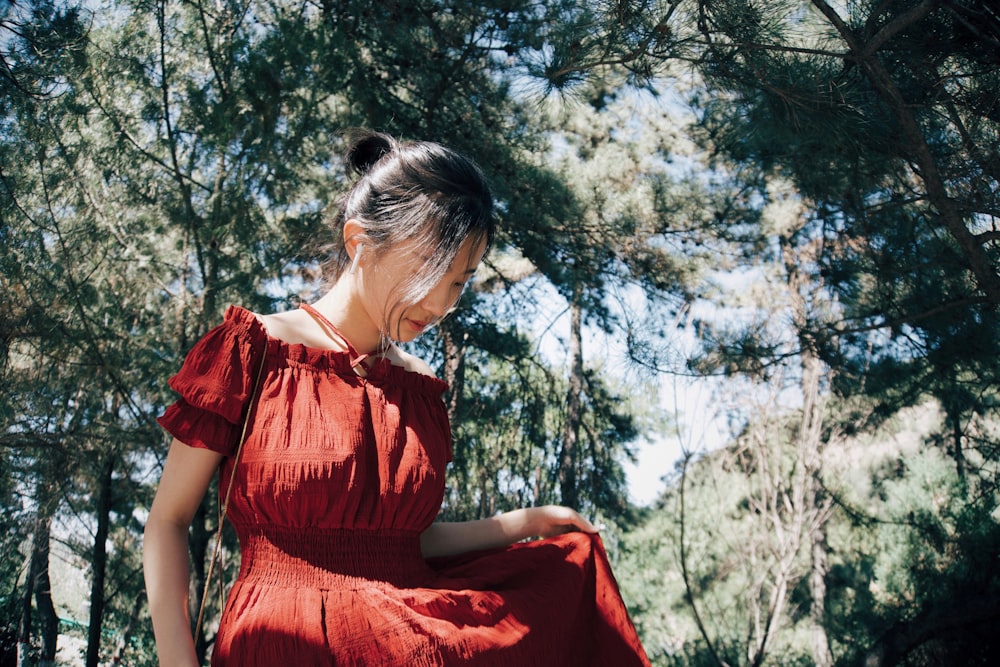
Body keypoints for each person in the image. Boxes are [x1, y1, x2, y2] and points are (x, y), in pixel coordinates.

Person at [143, 129, 651, 667]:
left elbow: (406, 542)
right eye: (429, 270)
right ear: (360, 241)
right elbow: (168, 521)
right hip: (280, 646)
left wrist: (526, 524)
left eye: (458, 282)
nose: (439, 303)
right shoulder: (252, 351)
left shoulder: (418, 387)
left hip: (407, 642)